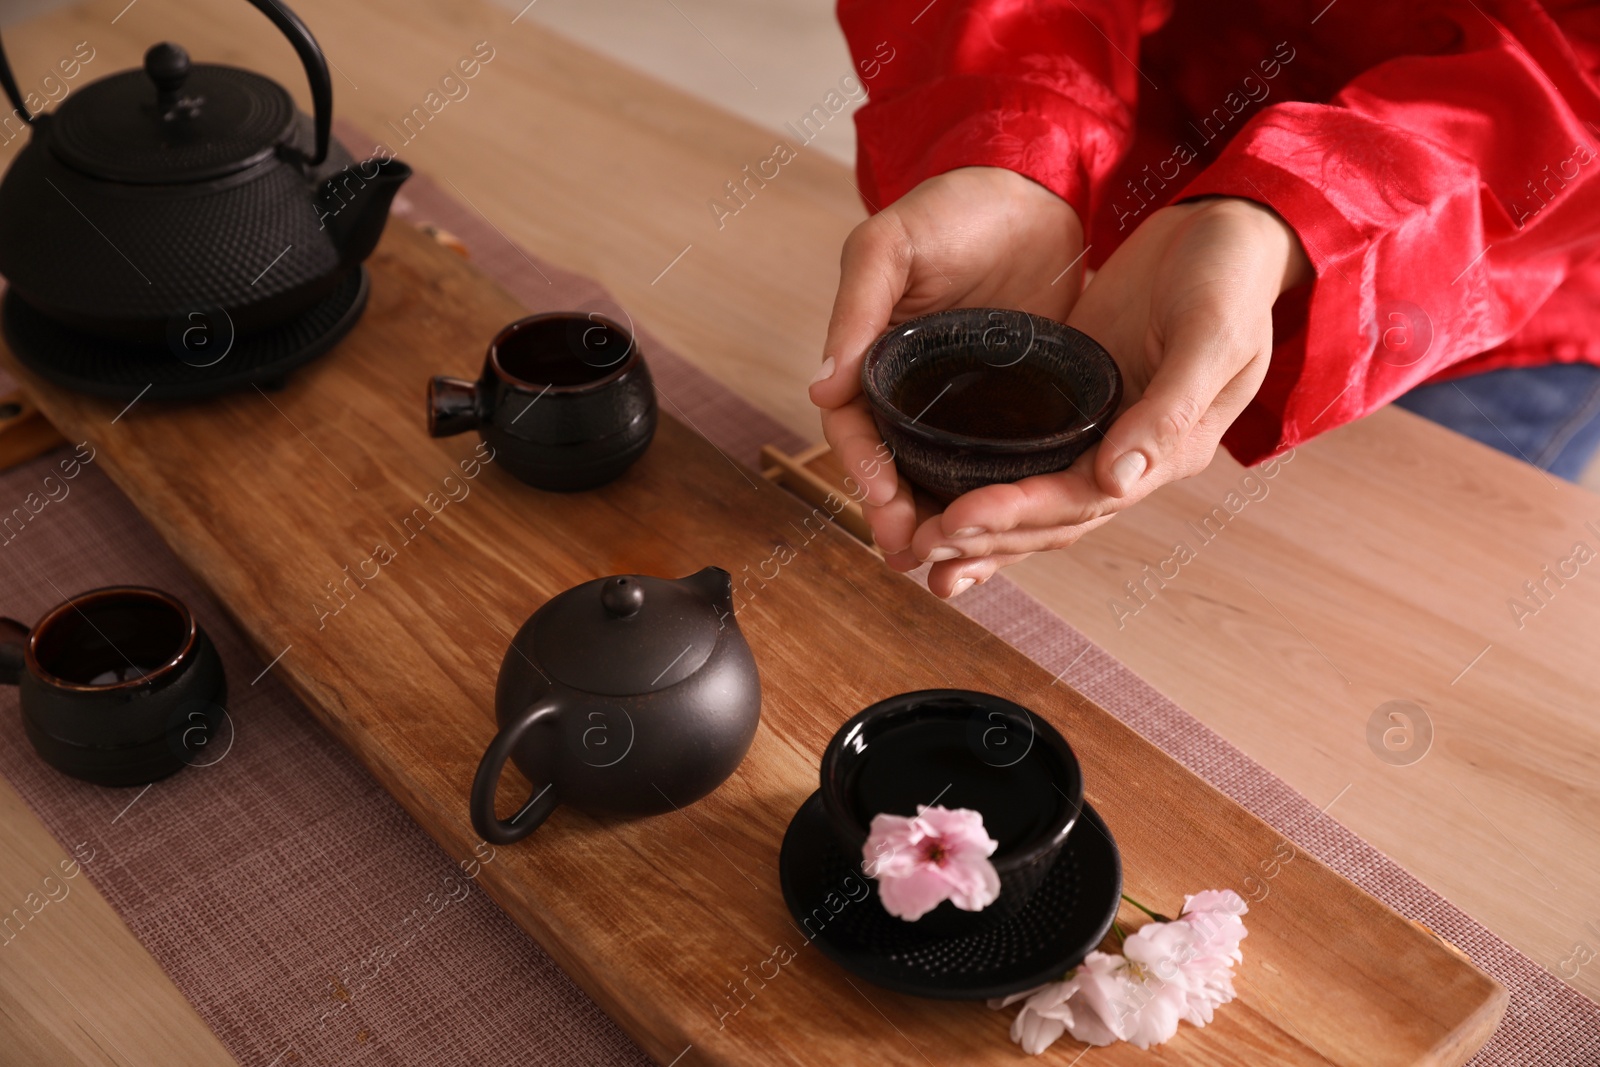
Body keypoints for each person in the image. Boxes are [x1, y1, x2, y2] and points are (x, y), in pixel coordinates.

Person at [808, 0, 1600, 598]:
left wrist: (1301, 207)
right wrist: (1015, 141)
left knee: (1374, 605)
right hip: (1146, 187)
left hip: (1495, 285)